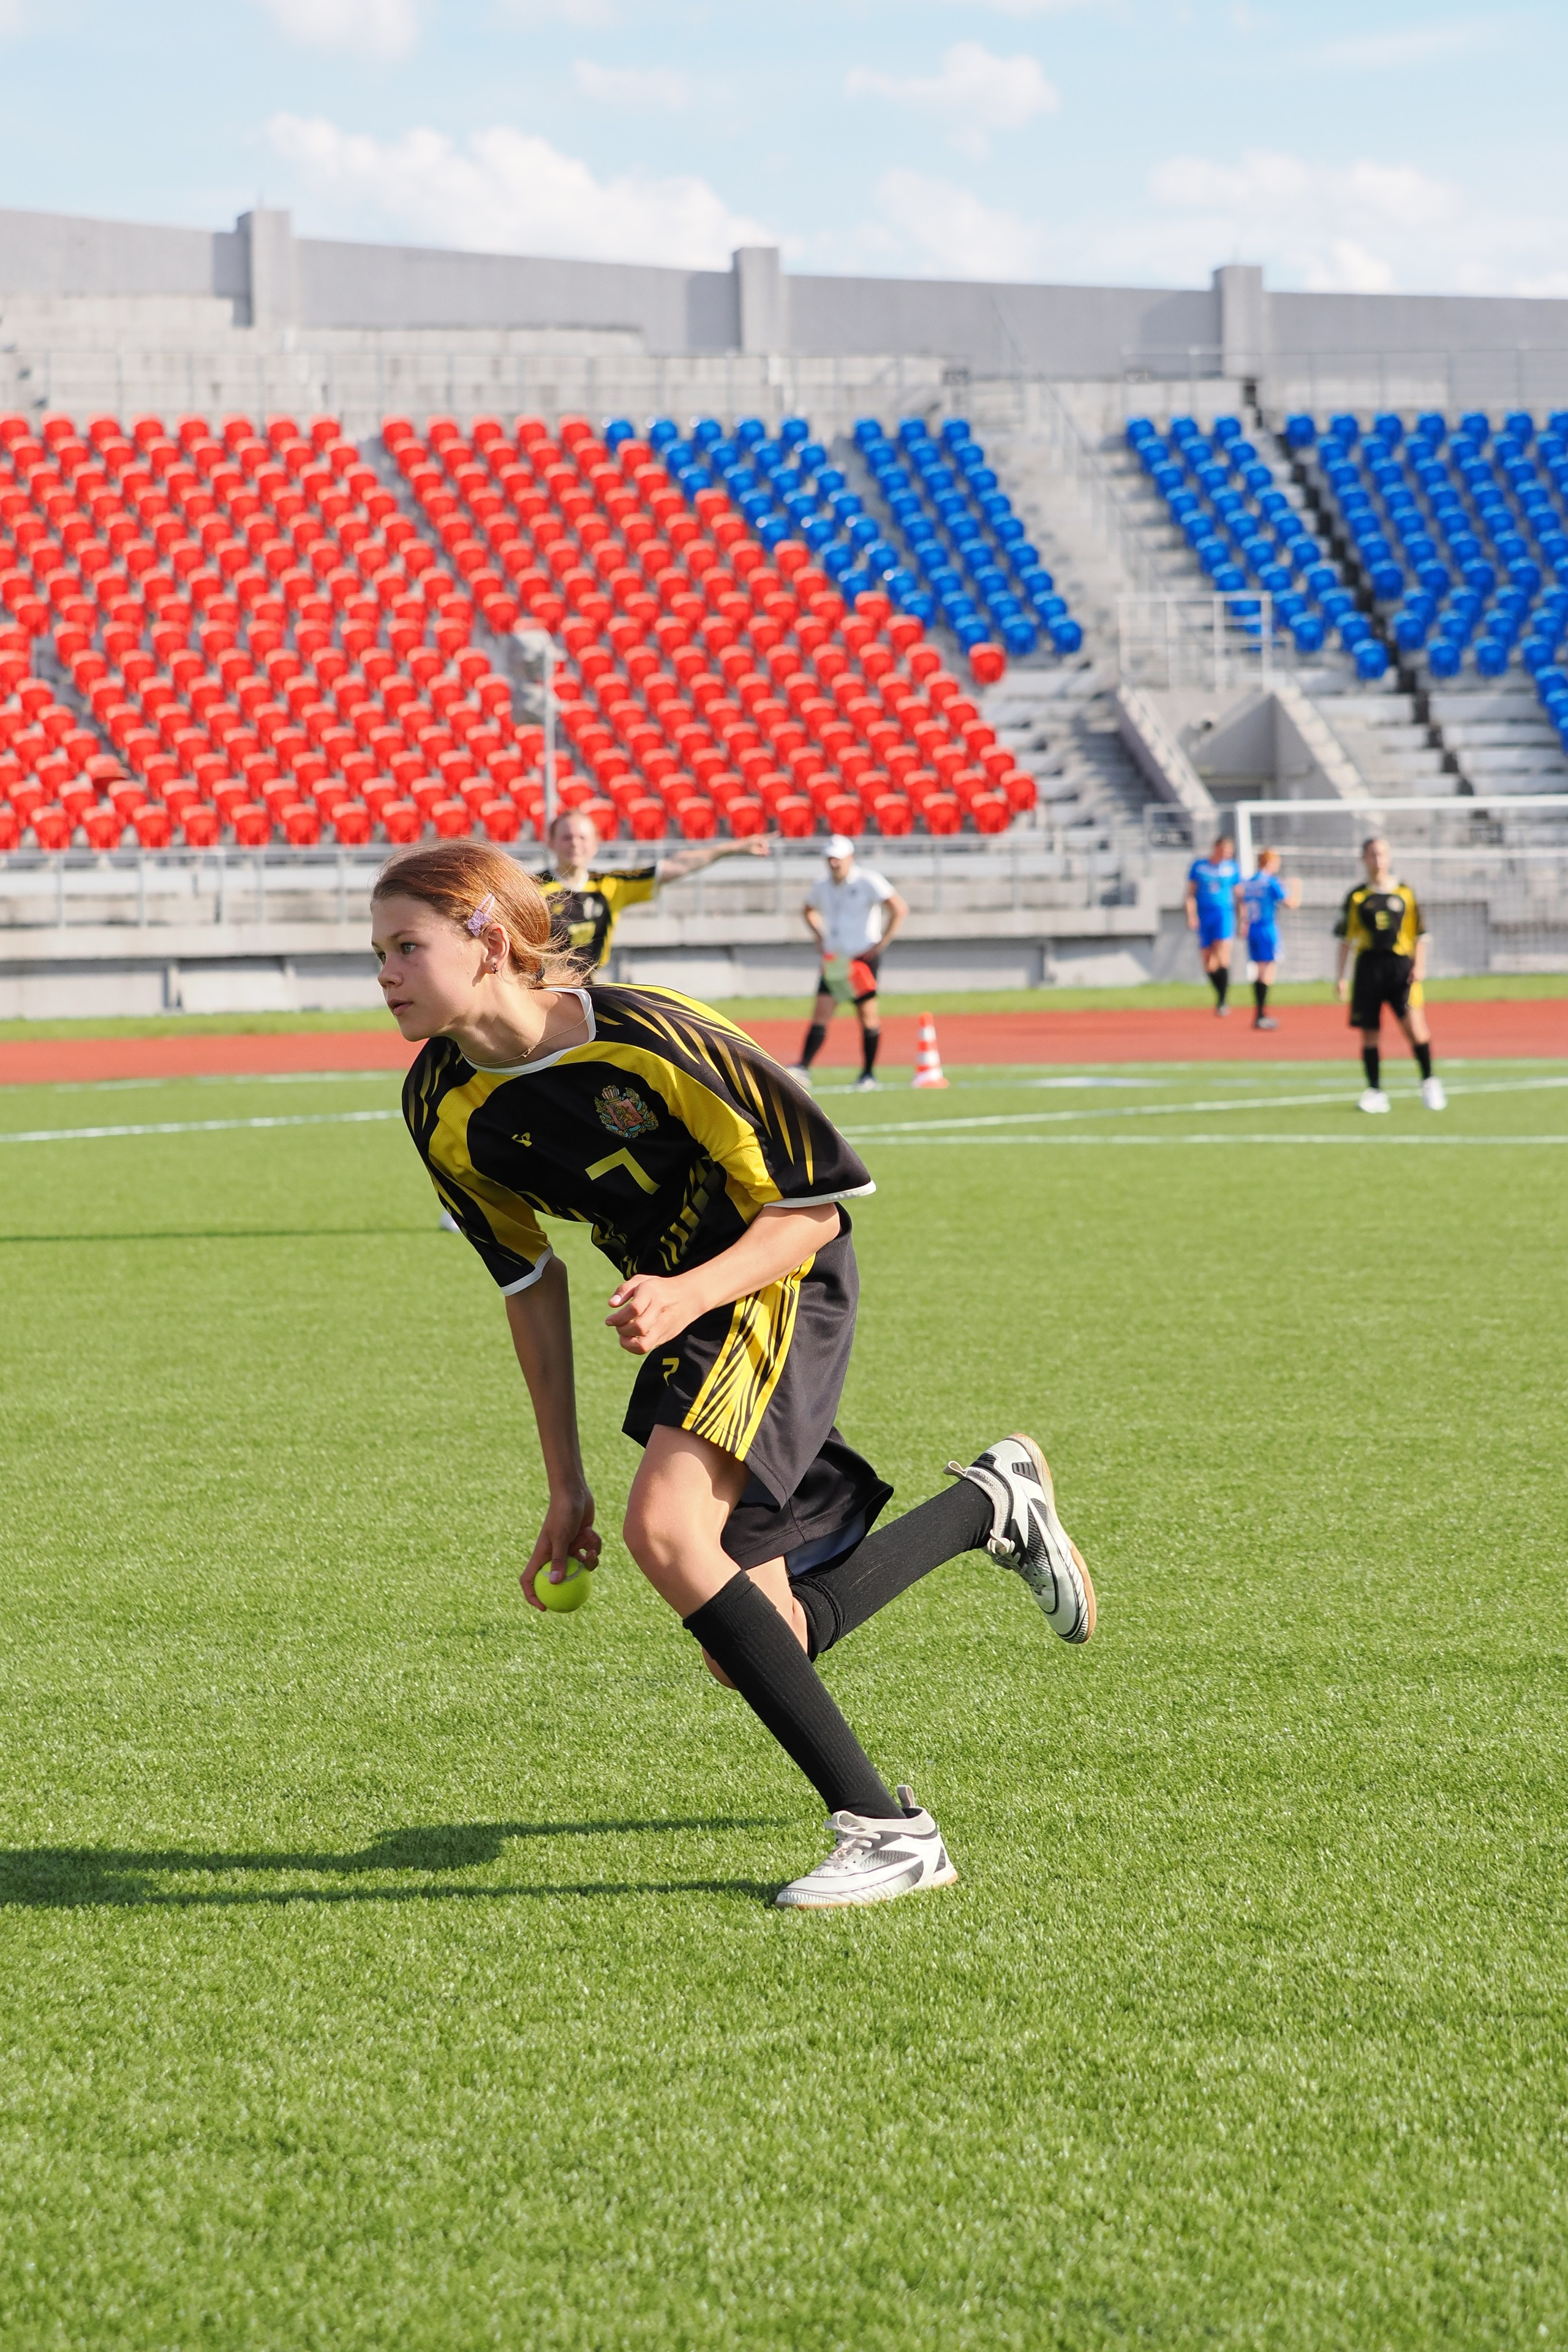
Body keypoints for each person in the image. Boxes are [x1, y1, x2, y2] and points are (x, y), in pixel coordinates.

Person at [371, 840, 1095, 1911]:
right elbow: (528, 1282)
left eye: (405, 947)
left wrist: (686, 1294)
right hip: (684, 1306)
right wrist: (563, 1483)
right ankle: (986, 1505)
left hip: (772, 1275)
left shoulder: (653, 1035)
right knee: (761, 1645)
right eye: (377, 951)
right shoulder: (439, 1105)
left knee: (666, 1532)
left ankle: (890, 1832)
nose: (383, 974)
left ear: (487, 942)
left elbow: (814, 1211)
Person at [538, 807, 772, 973]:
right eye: (567, 838)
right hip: (541, 987)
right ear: (551, 842)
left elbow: (675, 866)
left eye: (582, 837)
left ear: (596, 844)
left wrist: (730, 849)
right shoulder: (530, 887)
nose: (575, 844)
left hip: (590, 988)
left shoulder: (611, 885)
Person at [1333, 835, 1446, 1113]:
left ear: (1390, 857)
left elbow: (1420, 934)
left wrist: (1419, 966)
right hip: (1369, 967)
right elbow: (1346, 940)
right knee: (1369, 1033)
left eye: (1382, 854)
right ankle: (1375, 1091)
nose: (1378, 860)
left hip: (1400, 968)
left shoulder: (1405, 893)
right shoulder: (1357, 896)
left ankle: (1430, 1082)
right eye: (1372, 854)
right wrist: (1340, 976)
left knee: (1415, 1029)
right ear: (1364, 858)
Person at [788, 835, 909, 1093]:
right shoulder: (822, 885)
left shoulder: (868, 880)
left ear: (849, 858)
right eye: (829, 859)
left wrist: (883, 942)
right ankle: (804, 1067)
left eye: (838, 859)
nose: (833, 864)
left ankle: (868, 1073)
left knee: (867, 1017)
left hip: (862, 957)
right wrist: (820, 937)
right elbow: (807, 909)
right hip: (837, 959)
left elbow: (898, 908)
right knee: (821, 1013)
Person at [1237, 847, 1301, 1031]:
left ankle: (1259, 1013)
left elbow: (1241, 901)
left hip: (1252, 929)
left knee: (1259, 970)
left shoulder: (1248, 883)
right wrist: (1296, 888)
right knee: (1267, 971)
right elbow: (1290, 903)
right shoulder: (1270, 882)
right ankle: (1260, 1014)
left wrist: (1242, 922)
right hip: (1267, 929)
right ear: (1271, 862)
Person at [1186, 832, 1240, 1014]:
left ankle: (1223, 1001)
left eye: (1230, 851)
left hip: (1224, 915)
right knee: (1208, 963)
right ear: (1216, 848)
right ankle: (1220, 995)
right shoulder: (1200, 867)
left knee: (1223, 954)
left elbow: (1239, 896)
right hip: (1204, 916)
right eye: (1225, 850)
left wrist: (1244, 919)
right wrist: (1191, 915)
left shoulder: (1232, 869)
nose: (1228, 854)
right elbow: (1190, 894)